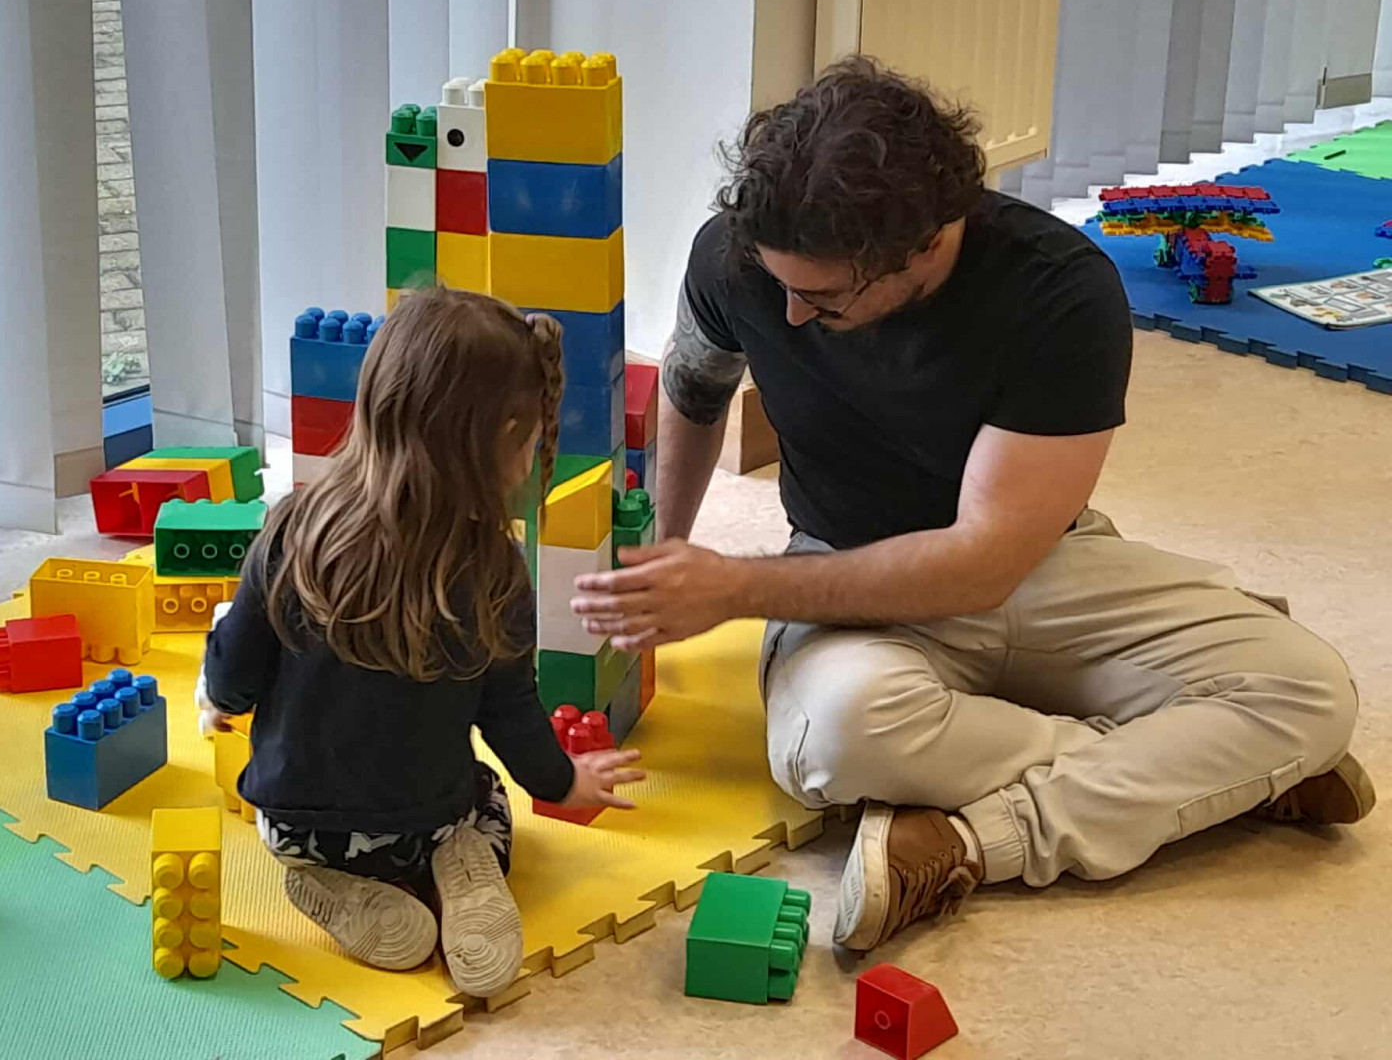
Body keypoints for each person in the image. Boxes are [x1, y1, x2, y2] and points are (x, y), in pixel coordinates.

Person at [571, 55, 1371, 954]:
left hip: (1040, 563)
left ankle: (974, 839)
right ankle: (1204, 776)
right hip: (846, 572)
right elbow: (694, 389)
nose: (789, 315)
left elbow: (984, 564)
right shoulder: (738, 255)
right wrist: (663, 560)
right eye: (779, 284)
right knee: (833, 740)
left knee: (1307, 692)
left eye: (821, 297)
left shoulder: (1059, 290)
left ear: (924, 245)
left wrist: (734, 587)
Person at [200, 287, 644, 997]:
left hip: (298, 826)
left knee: (291, 838)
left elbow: (234, 677)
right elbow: (511, 715)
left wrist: (214, 696)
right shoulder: (493, 571)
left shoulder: (292, 530)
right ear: (504, 440)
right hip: (423, 824)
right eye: (531, 442)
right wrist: (563, 781)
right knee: (485, 800)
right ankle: (464, 867)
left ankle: (331, 884)